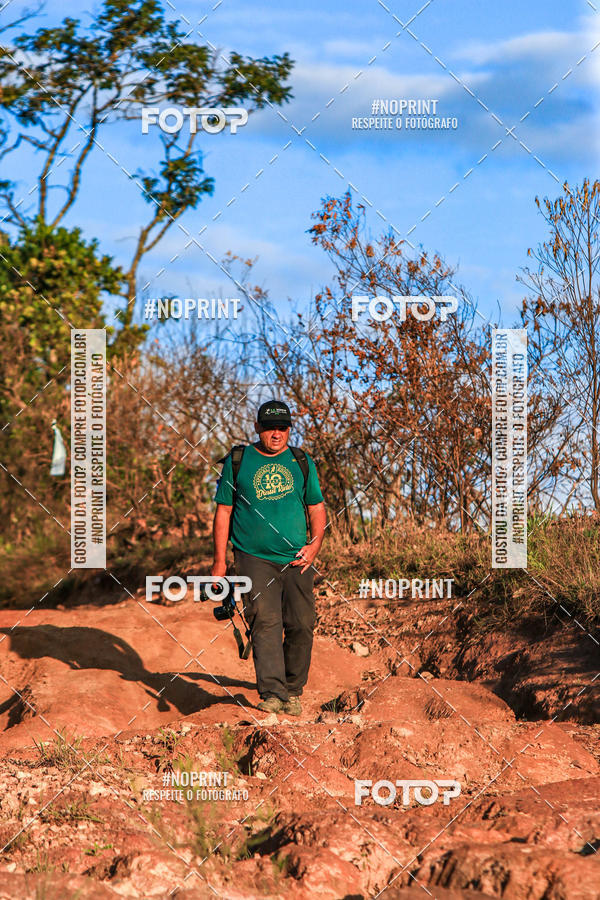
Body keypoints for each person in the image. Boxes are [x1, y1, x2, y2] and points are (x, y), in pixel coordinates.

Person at [212, 400, 326, 716]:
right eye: (270, 428)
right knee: (265, 620)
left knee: (302, 623)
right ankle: (273, 693)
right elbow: (224, 511)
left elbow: (316, 507)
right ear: (257, 428)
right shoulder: (238, 461)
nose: (277, 434)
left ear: (289, 429)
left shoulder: (301, 461)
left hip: (297, 558)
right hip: (253, 557)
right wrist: (219, 562)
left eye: (283, 428)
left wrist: (315, 545)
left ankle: (292, 691)